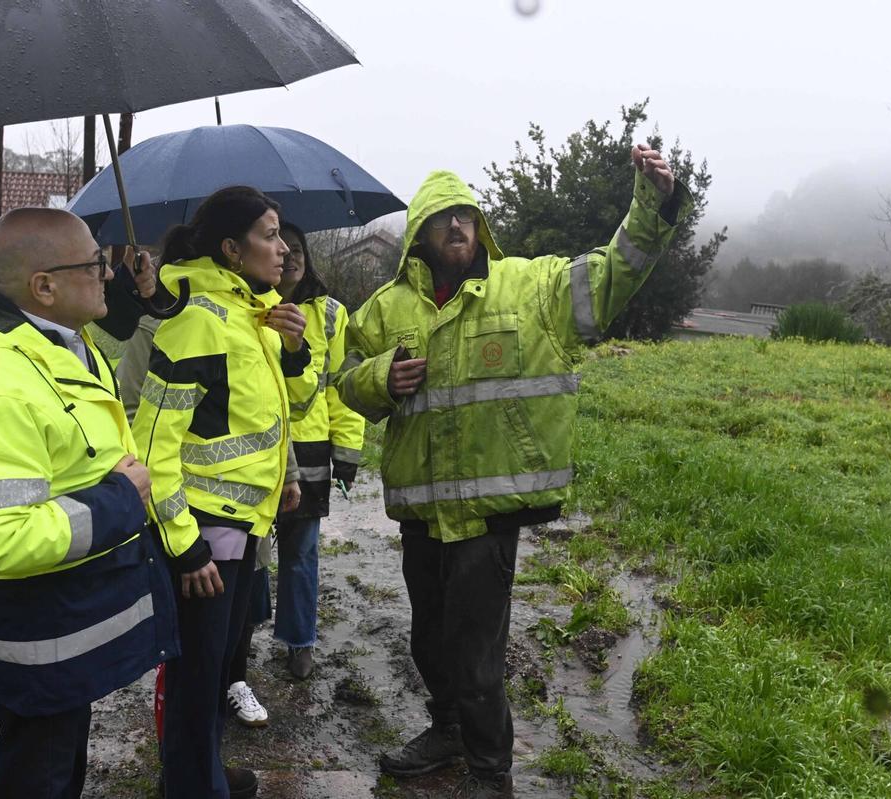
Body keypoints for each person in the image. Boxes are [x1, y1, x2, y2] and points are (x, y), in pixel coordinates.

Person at [335, 145, 691, 798]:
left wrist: (652, 205)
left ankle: (490, 773)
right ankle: (445, 729)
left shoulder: (532, 288)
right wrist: (380, 376)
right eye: (443, 220)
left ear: (480, 226)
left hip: (488, 513)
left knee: (475, 655)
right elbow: (345, 383)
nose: (458, 228)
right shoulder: (386, 310)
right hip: (421, 511)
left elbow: (616, 273)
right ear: (420, 234)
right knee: (429, 641)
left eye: (467, 216)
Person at [0, 207, 179, 799]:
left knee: (59, 763)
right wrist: (123, 499)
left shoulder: (59, 341)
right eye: (95, 264)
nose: (108, 275)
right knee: (38, 773)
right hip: (35, 637)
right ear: (45, 286)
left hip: (59, 623)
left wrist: (147, 295)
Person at [132, 186, 316, 799]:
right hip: (205, 533)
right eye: (269, 234)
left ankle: (203, 772)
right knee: (196, 674)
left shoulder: (251, 314)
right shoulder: (198, 323)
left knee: (216, 673)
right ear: (233, 249)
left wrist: (293, 348)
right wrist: (186, 548)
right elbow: (154, 445)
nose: (284, 248)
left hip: (243, 523)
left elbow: (277, 410)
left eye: (283, 232)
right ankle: (190, 786)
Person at [226, 222, 365, 700]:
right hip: (256, 449)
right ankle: (246, 632)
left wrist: (346, 452)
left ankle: (299, 640)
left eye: (299, 248)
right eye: (283, 247)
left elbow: (342, 387)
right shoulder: (244, 310)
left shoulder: (330, 314)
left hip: (310, 448)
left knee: (301, 552)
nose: (292, 256)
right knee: (253, 551)